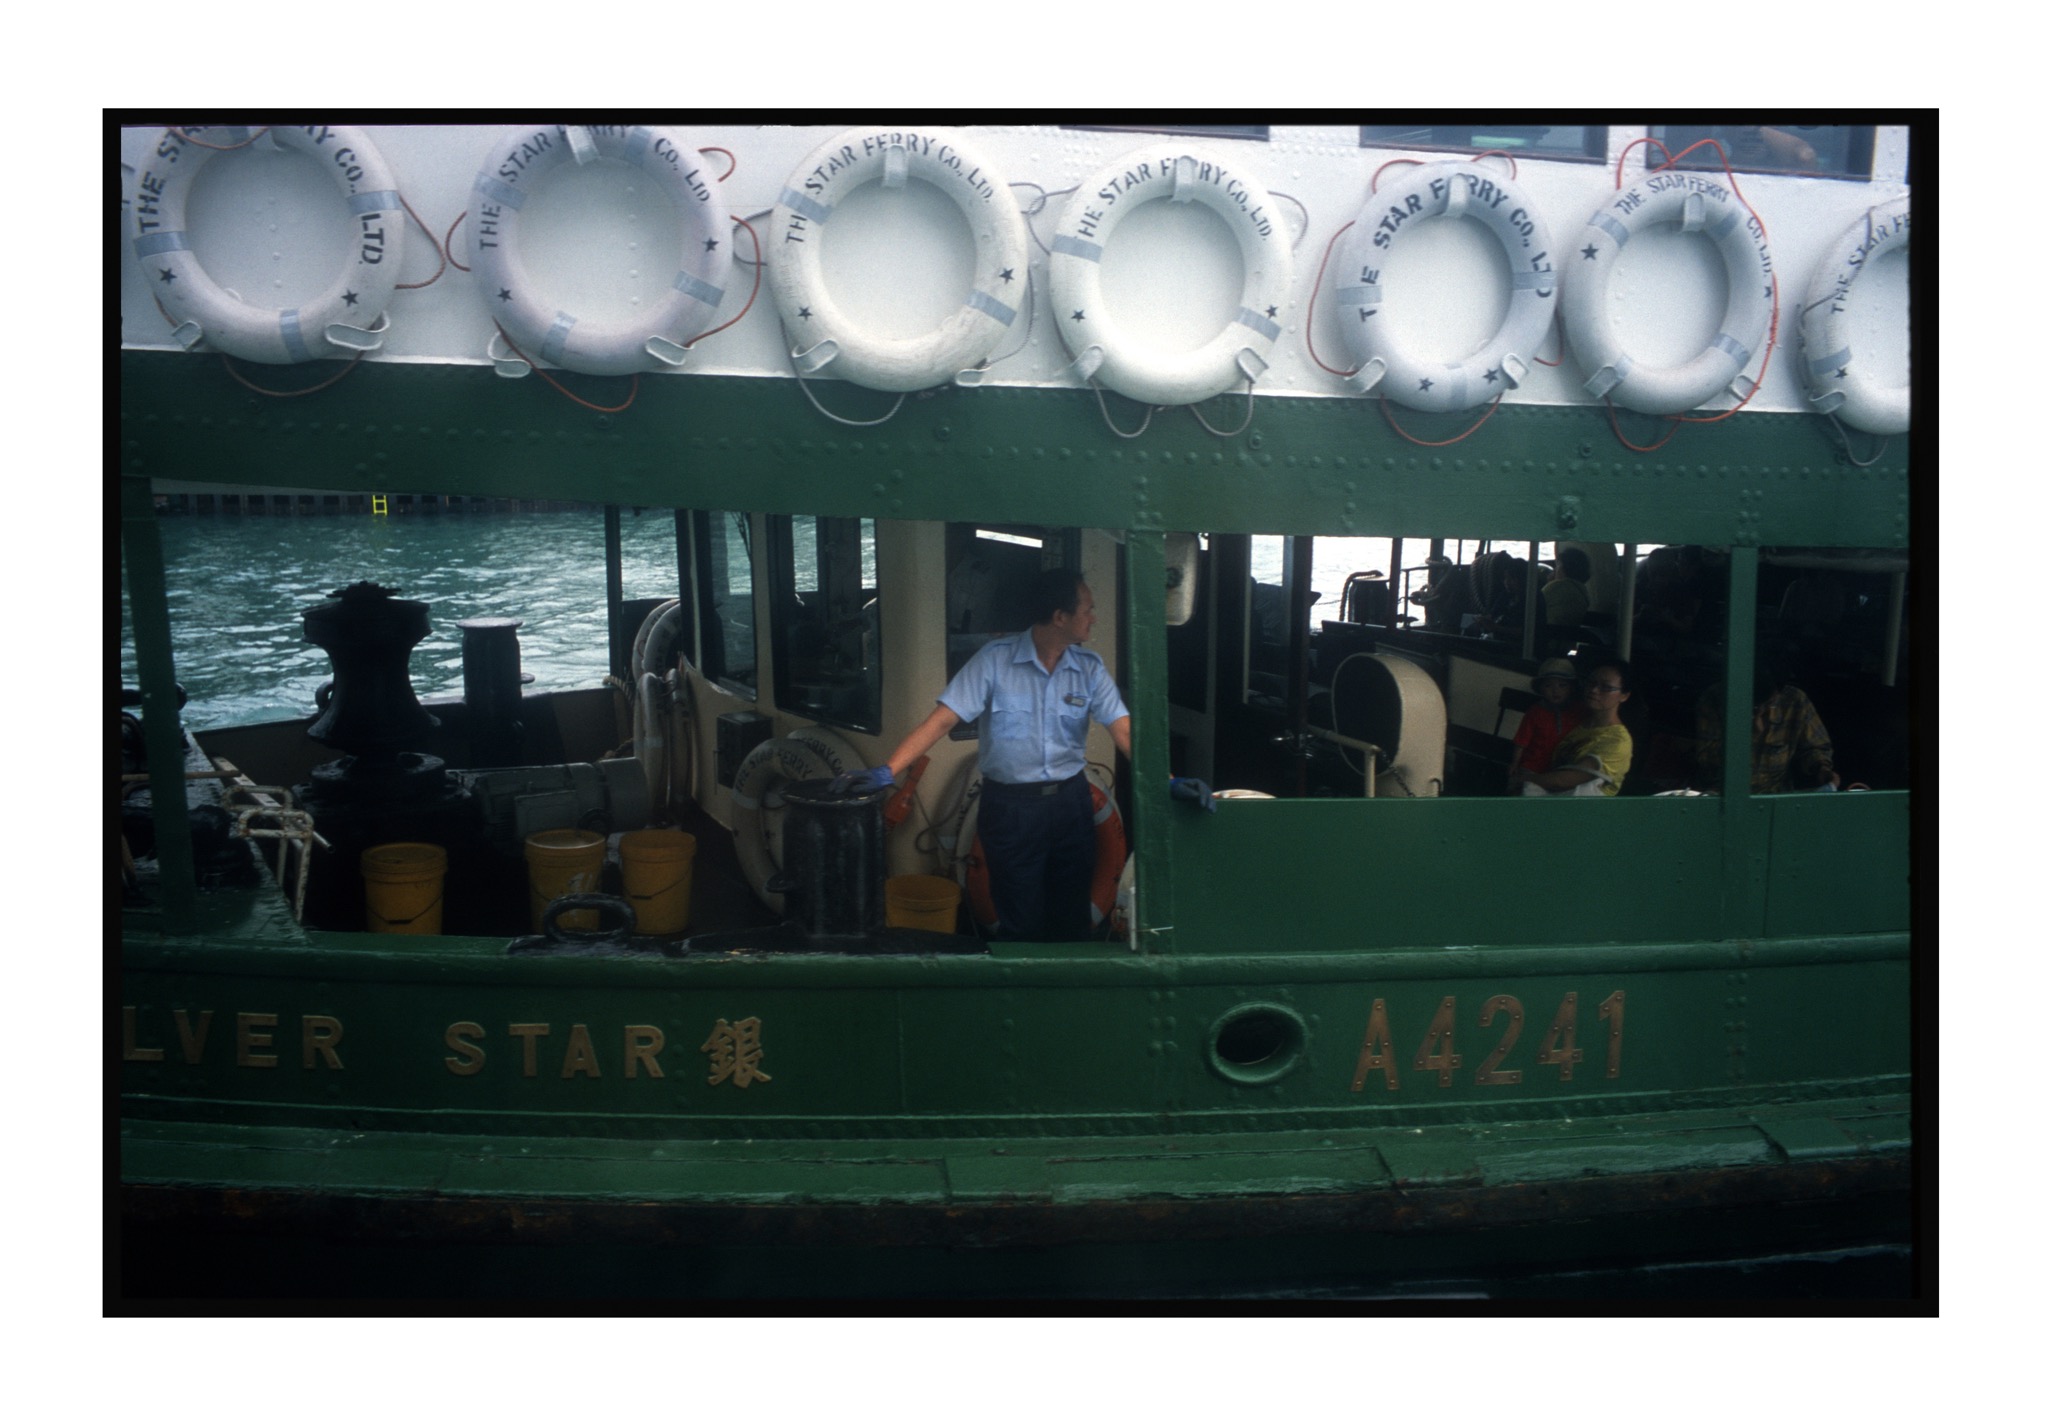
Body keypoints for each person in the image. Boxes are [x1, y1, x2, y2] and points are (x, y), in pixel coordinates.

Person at [836, 570, 1151, 939]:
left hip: (1071, 805)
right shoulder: (994, 661)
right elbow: (941, 721)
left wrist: (1165, 780)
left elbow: (1124, 731)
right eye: (1087, 610)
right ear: (1060, 617)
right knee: (1018, 921)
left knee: (1073, 919)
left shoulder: (1089, 669)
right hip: (1011, 810)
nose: (1093, 618)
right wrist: (887, 771)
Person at [1695, 658, 1839, 793]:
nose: (1764, 711)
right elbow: (1706, 759)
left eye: (1770, 704)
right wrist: (1746, 735)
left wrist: (1821, 768)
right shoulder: (1714, 699)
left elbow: (1815, 746)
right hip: (1723, 794)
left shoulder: (1795, 701)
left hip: (1775, 797)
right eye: (1755, 707)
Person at [1522, 658, 1633, 796]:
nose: (1594, 690)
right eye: (1591, 683)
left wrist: (1524, 779)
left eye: (1605, 687)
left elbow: (1565, 780)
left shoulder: (1617, 741)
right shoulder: (1579, 722)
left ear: (1624, 696)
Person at [1506, 658, 1585, 793]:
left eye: (1562, 685)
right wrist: (1514, 763)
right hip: (1532, 767)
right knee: (1524, 790)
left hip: (1561, 769)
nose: (1555, 690)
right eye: (1548, 686)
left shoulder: (1578, 711)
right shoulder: (1535, 712)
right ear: (1540, 689)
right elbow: (1521, 742)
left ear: (1572, 688)